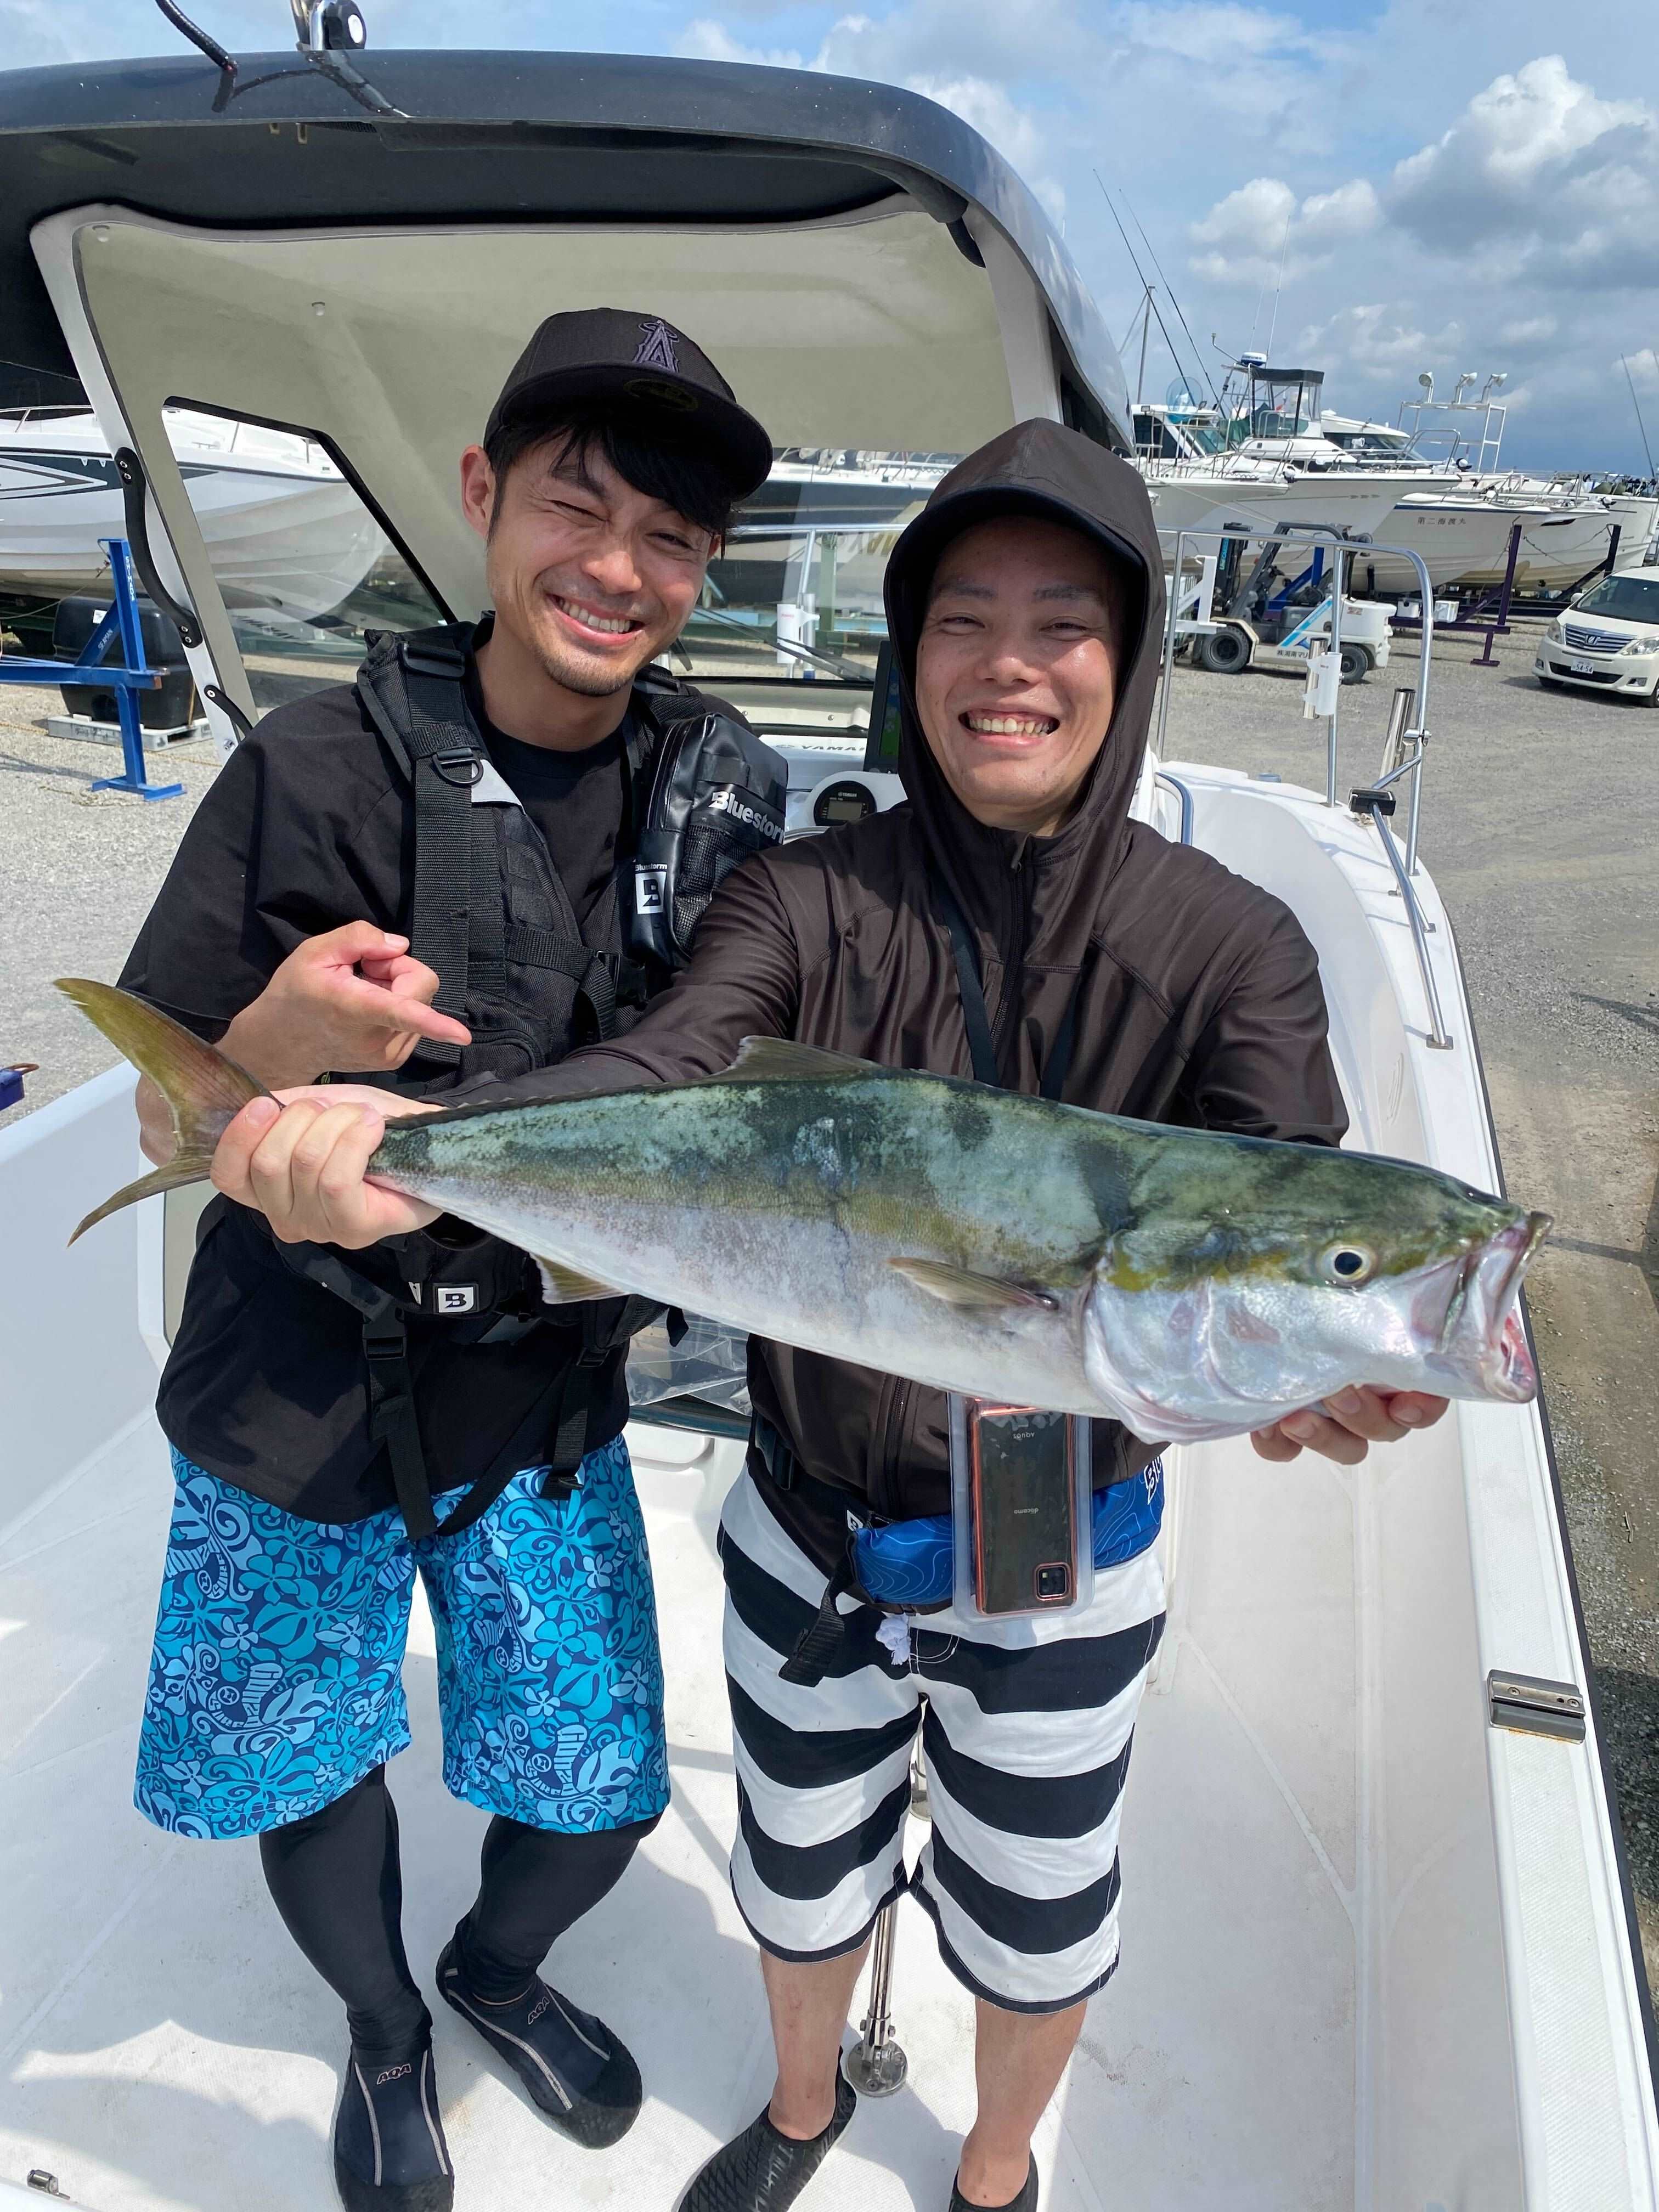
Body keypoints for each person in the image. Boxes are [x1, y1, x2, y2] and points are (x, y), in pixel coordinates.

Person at [210, 419, 1448, 2212]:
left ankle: (996, 2174)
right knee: (797, 1869)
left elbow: (1277, 1201)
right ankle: (801, 2114)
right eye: (962, 619)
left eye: (1062, 623)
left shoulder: (1231, 942)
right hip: (810, 1515)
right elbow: (678, 1053)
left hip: (1064, 1549)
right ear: (910, 656)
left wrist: (1312, 1363)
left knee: (1036, 1910)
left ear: (1133, 659)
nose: (1008, 666)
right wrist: (418, 1140)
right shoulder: (807, 894)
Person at [119, 309, 778, 2212]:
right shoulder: (318, 764)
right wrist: (272, 1068)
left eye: (674, 538)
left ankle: (497, 1965)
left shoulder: (715, 794)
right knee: (300, 1757)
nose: (622, 569)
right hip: (294, 1363)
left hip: (540, 1378)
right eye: (581, 507)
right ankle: (388, 2033)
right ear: (485, 500)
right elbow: (175, 1117)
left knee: (593, 1786)